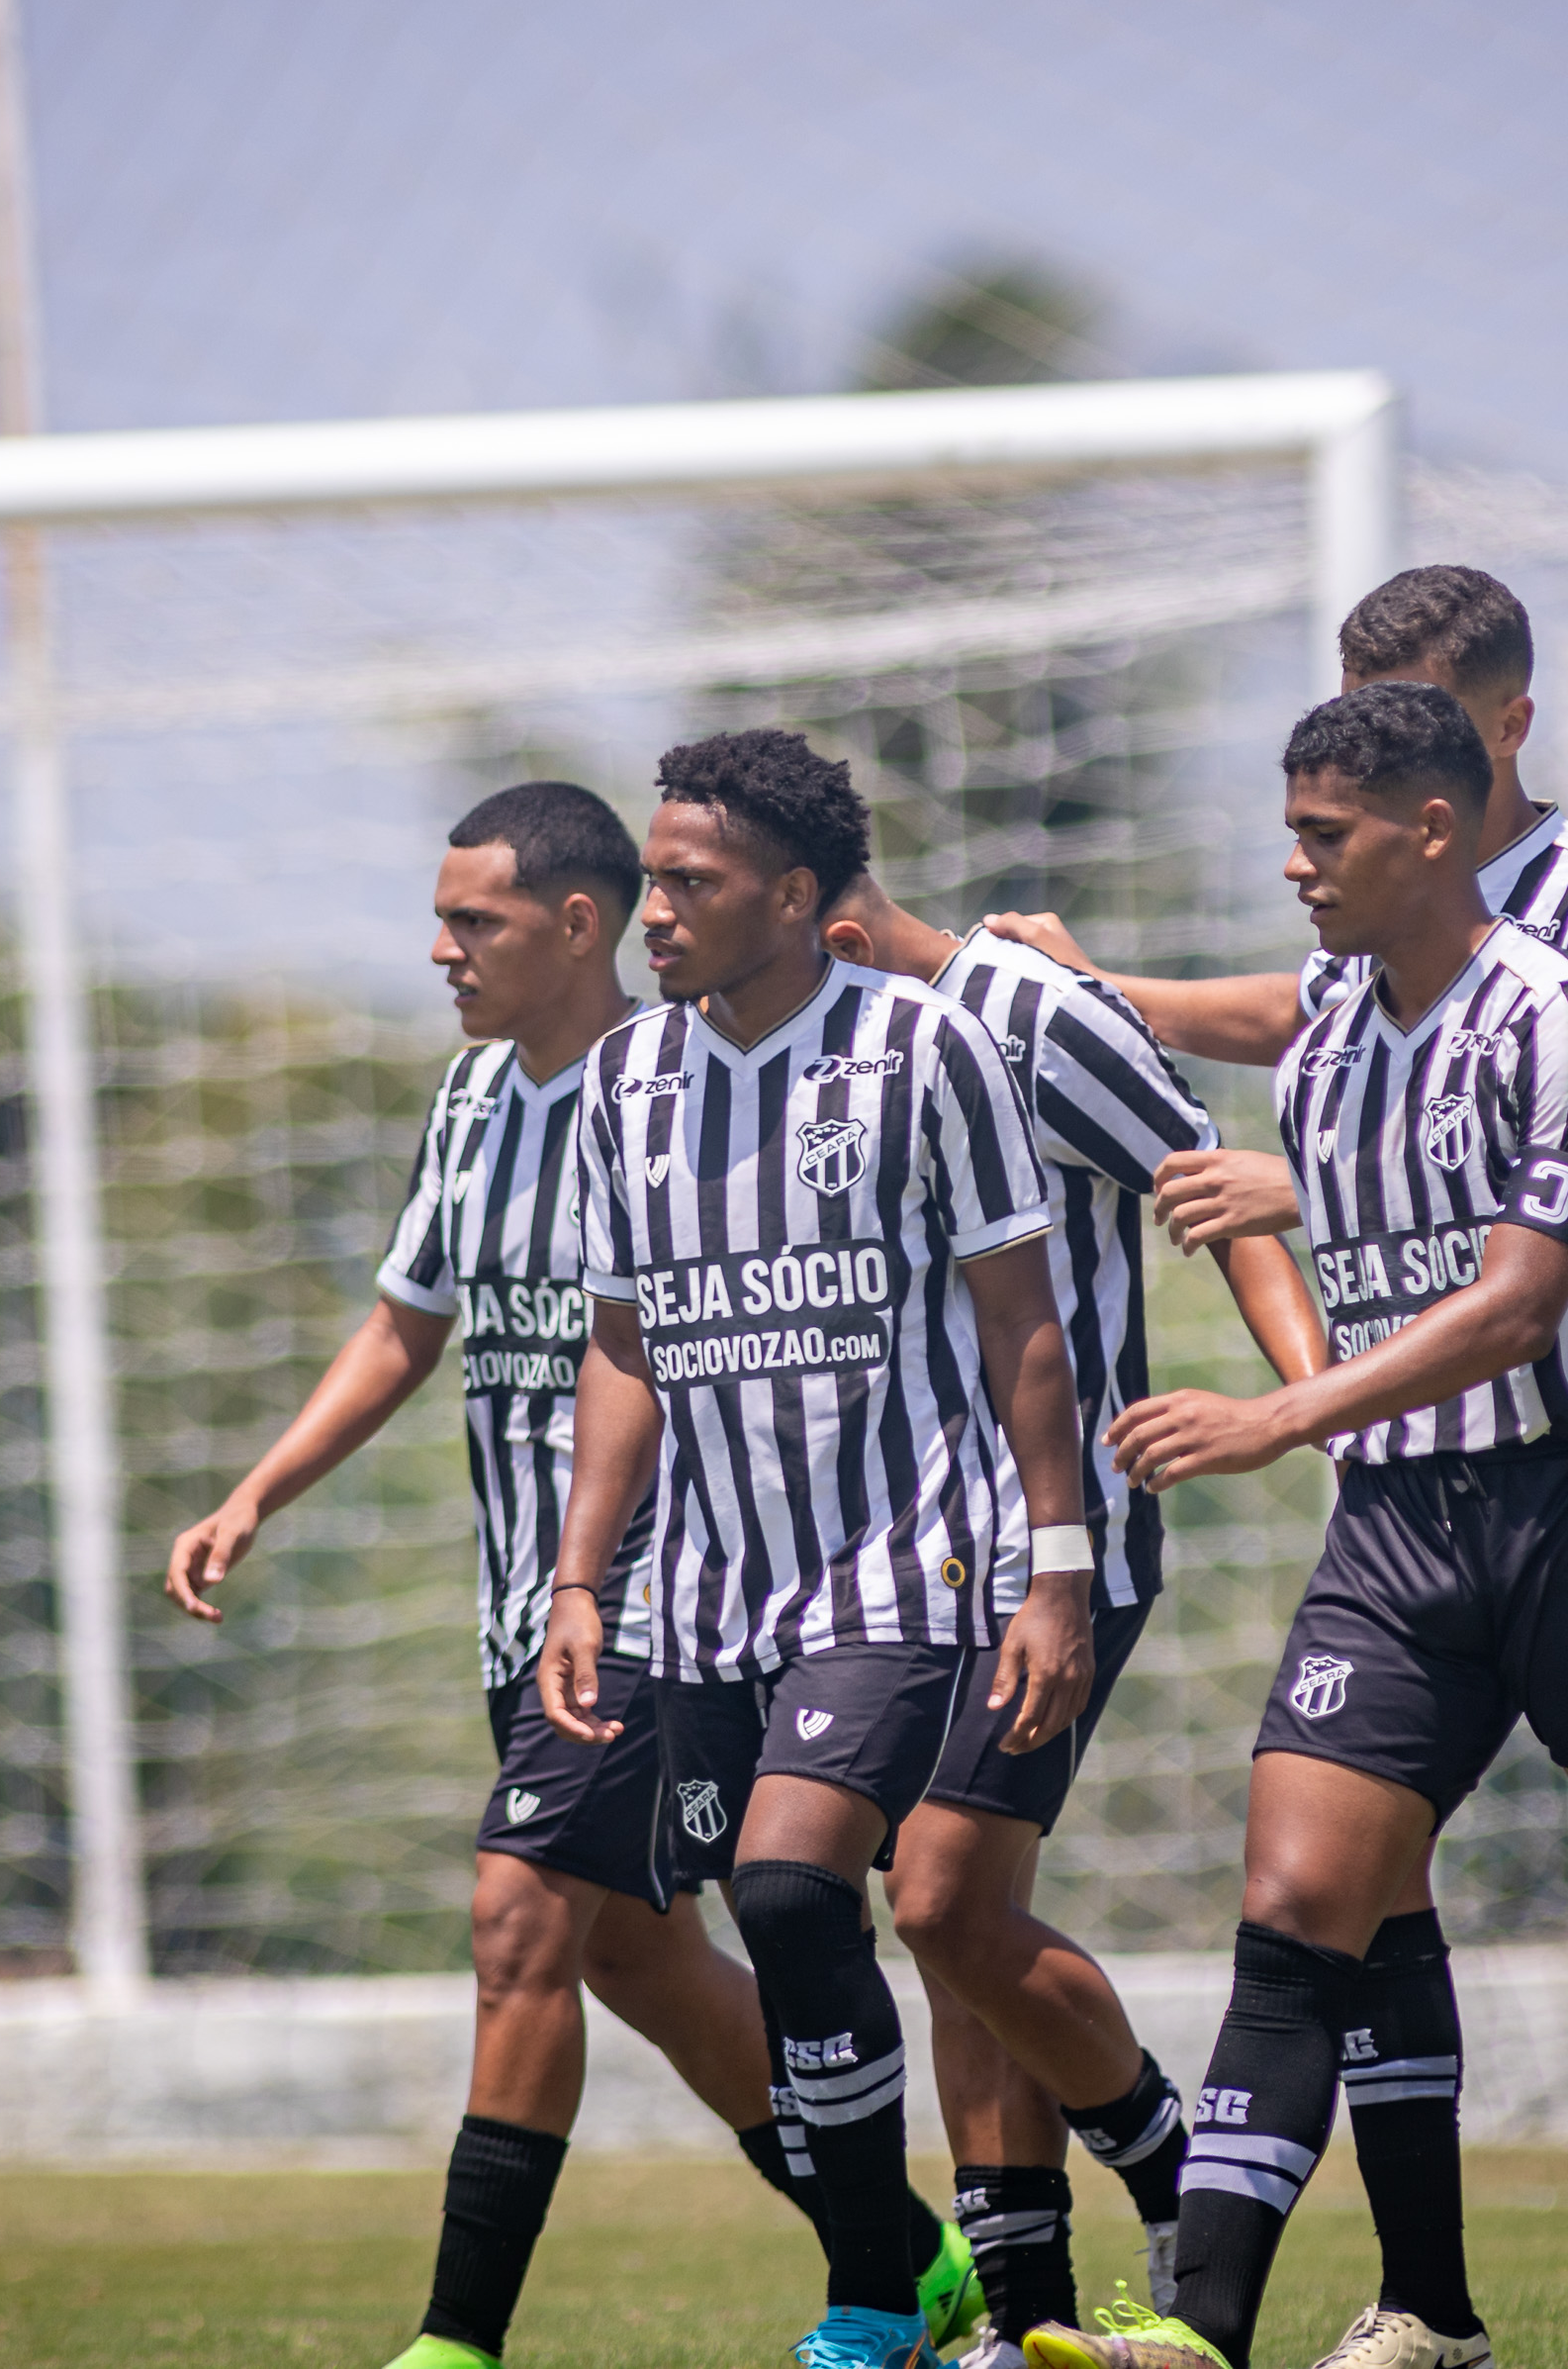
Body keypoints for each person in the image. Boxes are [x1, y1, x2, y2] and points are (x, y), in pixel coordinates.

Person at [1026, 685, 1568, 2369]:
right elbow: (1367, 1198)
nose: (1293, 863)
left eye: (1324, 833)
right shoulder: (1338, 1036)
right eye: (1289, 829)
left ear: (1432, 829)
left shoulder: (1563, 1015)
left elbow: (1518, 1306)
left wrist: (1273, 1415)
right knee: (1296, 1913)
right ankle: (1198, 2332)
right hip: (1397, 1538)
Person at [159, 783, 968, 2369]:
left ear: (581, 924)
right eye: (442, 918)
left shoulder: (674, 1090)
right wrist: (258, 1490)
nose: (443, 949)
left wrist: (608, 1578)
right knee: (636, 1955)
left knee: (519, 1920)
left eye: (479, 921)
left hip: (657, 1598)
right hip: (521, 1607)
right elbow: (409, 1320)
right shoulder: (470, 1102)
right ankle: (904, 2254)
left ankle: (456, 2345)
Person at [536, 728, 1091, 2369]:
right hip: (708, 1600)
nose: (656, 913)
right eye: (650, 883)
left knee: (791, 1882)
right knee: (781, 1915)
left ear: (792, 894)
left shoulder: (927, 1049)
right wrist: (583, 1580)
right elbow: (626, 1352)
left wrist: (1054, 1562)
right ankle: (936, 2268)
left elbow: (1025, 1329)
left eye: (691, 884)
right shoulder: (624, 1085)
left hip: (905, 1565)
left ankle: (874, 2290)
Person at [819, 874, 1331, 2359]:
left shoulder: (1030, 1011)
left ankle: (1173, 2175)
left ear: (834, 931)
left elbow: (1217, 1195)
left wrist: (1302, 1407)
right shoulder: (836, 1054)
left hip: (1063, 1545)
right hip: (908, 1553)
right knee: (956, 1924)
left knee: (941, 1900)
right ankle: (1024, 2317)